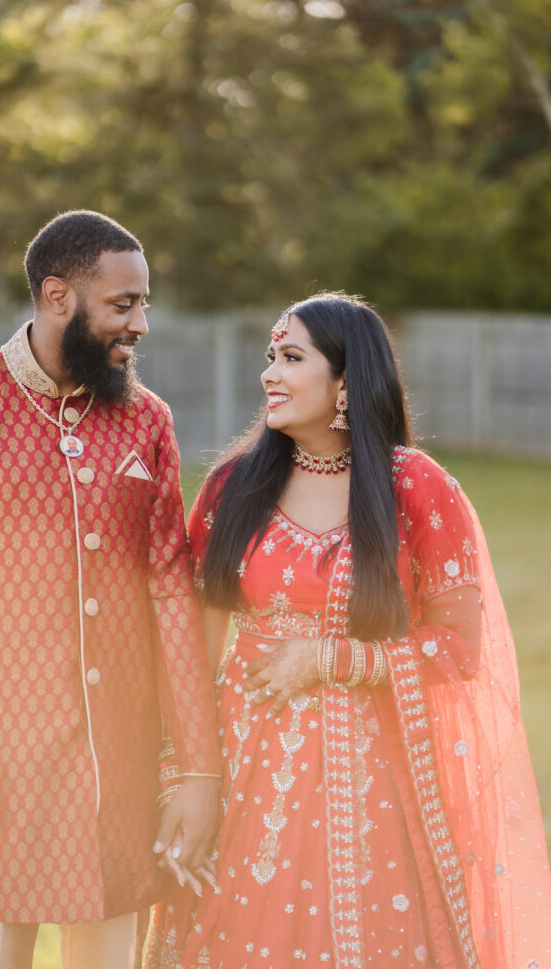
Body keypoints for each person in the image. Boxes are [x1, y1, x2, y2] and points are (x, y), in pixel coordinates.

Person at [145, 292, 551, 968]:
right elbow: (190, 646)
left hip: (371, 789)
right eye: (269, 357)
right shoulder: (232, 488)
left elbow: (459, 645)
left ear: (345, 382)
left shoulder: (414, 489)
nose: (269, 373)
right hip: (243, 779)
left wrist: (331, 658)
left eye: (292, 357)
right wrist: (184, 777)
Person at [0, 210, 222, 969]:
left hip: (121, 780)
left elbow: (170, 596)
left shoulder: (145, 421)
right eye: (123, 305)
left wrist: (197, 770)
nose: (142, 325)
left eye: (144, 304)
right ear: (58, 296)